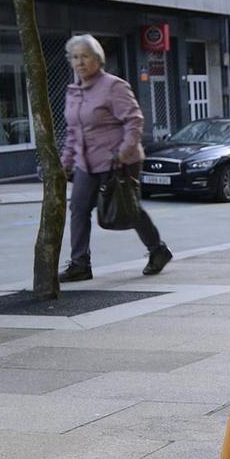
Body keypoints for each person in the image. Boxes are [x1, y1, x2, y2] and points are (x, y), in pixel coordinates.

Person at [58, 34, 171, 280]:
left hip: (118, 160)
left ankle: (158, 250)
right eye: (75, 57)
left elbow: (134, 121)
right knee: (78, 208)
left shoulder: (113, 86)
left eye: (84, 57)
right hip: (85, 163)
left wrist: (123, 152)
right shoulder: (73, 91)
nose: (79, 62)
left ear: (97, 59)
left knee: (128, 209)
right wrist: (64, 164)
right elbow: (72, 132)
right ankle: (80, 263)